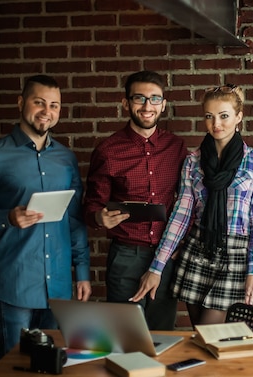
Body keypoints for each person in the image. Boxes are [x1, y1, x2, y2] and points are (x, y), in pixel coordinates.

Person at [0, 74, 91, 363]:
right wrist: (6, 217)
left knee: (51, 364)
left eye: (54, 105)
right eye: (39, 102)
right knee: (12, 365)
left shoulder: (66, 159)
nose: (47, 111)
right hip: (14, 284)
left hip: (58, 289)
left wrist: (81, 272)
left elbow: (75, 220)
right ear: (21, 103)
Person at [132, 84, 253, 326]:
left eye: (224, 116)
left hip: (234, 256)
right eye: (209, 116)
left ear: (239, 117)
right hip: (198, 251)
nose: (216, 123)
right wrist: (157, 268)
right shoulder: (193, 161)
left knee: (209, 333)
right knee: (202, 340)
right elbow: (181, 216)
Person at [83, 71, 188, 330]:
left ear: (163, 104)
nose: (147, 106)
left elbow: (189, 200)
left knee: (163, 335)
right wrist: (99, 217)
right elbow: (91, 205)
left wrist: (180, 243)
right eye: (139, 98)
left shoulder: (177, 147)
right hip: (126, 255)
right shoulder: (108, 151)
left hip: (166, 256)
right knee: (126, 336)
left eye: (154, 99)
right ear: (126, 103)